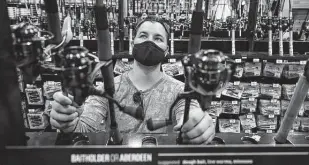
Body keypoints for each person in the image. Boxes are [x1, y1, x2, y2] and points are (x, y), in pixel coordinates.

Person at [50, 16, 215, 144]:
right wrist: (68, 121)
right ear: (132, 43)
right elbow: (84, 128)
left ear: (166, 50)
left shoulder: (180, 90)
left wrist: (199, 125)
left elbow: (190, 114)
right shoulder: (107, 88)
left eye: (158, 38)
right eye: (143, 36)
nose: (149, 41)